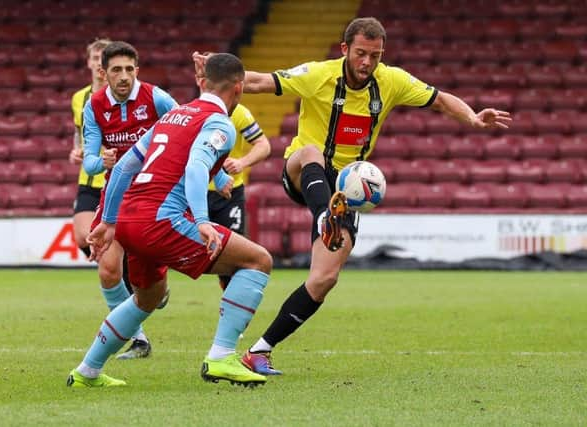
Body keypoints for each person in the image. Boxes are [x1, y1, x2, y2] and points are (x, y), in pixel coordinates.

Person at [194, 17, 512, 375]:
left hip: (347, 189)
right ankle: (323, 216)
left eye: (375, 55)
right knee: (311, 150)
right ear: (345, 49)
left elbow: (439, 100)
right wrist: (217, 74)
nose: (367, 62)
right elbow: (258, 81)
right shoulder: (319, 74)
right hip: (304, 173)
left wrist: (472, 119)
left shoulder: (391, 81)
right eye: (360, 53)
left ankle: (260, 350)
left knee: (324, 279)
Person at [67, 52, 272, 388]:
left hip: (131, 219)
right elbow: (195, 167)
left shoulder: (174, 115)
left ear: (204, 83)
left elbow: (123, 167)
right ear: (238, 88)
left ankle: (87, 372)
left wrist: (109, 220)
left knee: (148, 297)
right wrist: (203, 220)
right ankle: (221, 357)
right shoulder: (220, 123)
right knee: (258, 261)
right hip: (161, 220)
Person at [81, 41, 177, 360]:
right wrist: (102, 161)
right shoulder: (93, 106)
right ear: (103, 73)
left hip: (155, 191)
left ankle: (154, 289)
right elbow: (89, 163)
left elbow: (189, 131)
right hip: (116, 194)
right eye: (116, 70)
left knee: (146, 275)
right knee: (108, 270)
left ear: (138, 70)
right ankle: (138, 339)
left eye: (129, 69)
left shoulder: (157, 98)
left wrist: (218, 177)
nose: (124, 76)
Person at [207, 103, 270, 290]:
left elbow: (264, 145)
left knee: (236, 259)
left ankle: (233, 308)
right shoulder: (197, 111)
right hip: (195, 193)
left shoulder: (240, 112)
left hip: (230, 195)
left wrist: (242, 162)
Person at [69, 38, 109, 259]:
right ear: (89, 63)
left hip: (116, 179)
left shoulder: (121, 96)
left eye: (104, 58)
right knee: (83, 238)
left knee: (114, 240)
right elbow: (78, 130)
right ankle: (120, 277)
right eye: (95, 58)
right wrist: (77, 149)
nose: (99, 63)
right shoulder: (79, 98)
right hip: (89, 179)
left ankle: (127, 282)